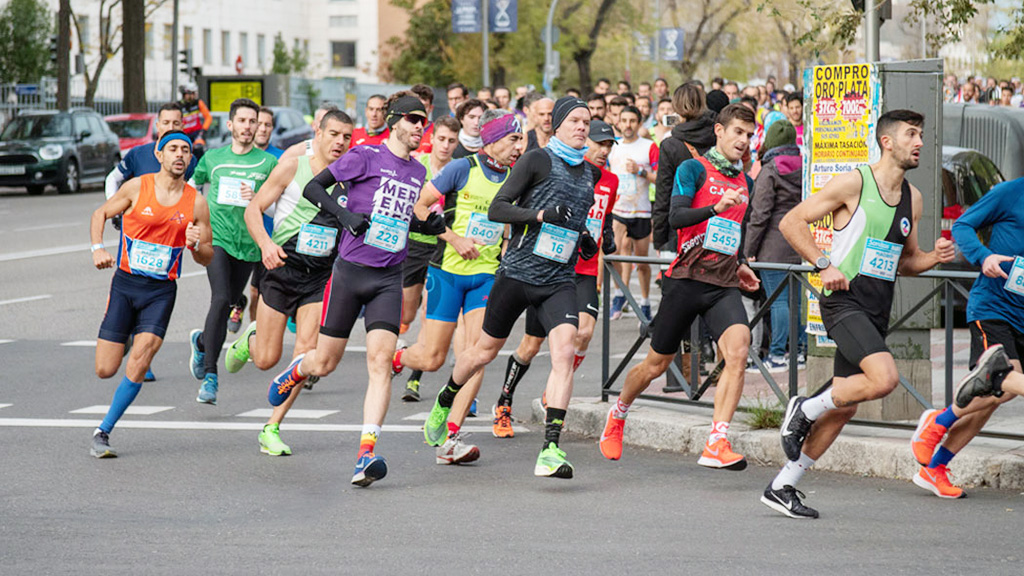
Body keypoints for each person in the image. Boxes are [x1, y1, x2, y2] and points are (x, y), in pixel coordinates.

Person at [766, 109, 1003, 519]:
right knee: (884, 379)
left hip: (877, 309)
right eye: (911, 134)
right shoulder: (855, 182)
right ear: (887, 141)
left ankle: (782, 485)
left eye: (921, 134)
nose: (920, 142)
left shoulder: (914, 199)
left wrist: (933, 257)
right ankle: (803, 408)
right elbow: (792, 222)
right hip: (843, 300)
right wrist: (823, 263)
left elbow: (905, 261)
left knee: (844, 408)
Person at [265, 95, 444, 487]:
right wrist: (345, 216)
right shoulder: (365, 157)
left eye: (423, 121)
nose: (420, 127)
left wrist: (426, 227)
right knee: (324, 364)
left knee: (381, 363)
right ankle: (299, 368)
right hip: (349, 273)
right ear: (395, 121)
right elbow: (314, 188)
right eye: (413, 119)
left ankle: (366, 453)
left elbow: (401, 220)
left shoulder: (418, 171)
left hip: (388, 278)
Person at [424, 97, 600, 479]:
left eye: (586, 122)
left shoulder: (591, 173)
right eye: (574, 120)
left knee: (564, 352)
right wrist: (541, 215)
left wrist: (584, 237)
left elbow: (574, 217)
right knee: (484, 351)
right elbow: (498, 208)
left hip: (558, 279)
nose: (582, 127)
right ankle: (445, 398)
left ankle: (550, 448)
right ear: (557, 125)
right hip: (517, 274)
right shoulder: (536, 160)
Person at [600, 104, 760, 471]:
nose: (743, 140)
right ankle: (619, 412)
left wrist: (741, 263)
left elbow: (733, 231)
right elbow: (677, 217)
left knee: (738, 350)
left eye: (749, 135)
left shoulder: (745, 181)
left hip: (722, 284)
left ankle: (717, 441)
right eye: (737, 132)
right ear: (719, 131)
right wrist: (715, 207)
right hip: (686, 280)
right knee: (655, 365)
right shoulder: (693, 169)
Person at [391, 111, 524, 463]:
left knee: (478, 355)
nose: (519, 147)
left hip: (486, 276)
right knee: (432, 358)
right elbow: (419, 207)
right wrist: (453, 239)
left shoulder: (516, 176)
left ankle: (450, 435)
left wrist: (506, 250)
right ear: (493, 140)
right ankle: (397, 356)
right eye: (513, 139)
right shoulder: (462, 169)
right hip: (447, 272)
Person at [222, 110, 354, 456]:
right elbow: (253, 210)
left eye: (347, 137)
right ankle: (250, 341)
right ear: (318, 132)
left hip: (320, 276)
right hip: (282, 268)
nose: (340, 142)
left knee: (304, 354)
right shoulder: (293, 167)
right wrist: (266, 245)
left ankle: (272, 427)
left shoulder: (351, 179)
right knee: (267, 359)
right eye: (334, 134)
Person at [88, 130, 213, 457]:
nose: (179, 154)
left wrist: (195, 246)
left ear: (191, 158)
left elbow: (207, 255)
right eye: (172, 149)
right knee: (105, 369)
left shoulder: (197, 203)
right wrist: (98, 248)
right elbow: (100, 213)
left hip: (160, 292)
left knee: (140, 363)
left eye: (185, 150)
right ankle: (126, 335)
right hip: (125, 285)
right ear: (159, 155)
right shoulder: (136, 187)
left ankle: (103, 431)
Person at [492, 119, 618, 437]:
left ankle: (556, 387)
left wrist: (608, 235)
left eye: (609, 145)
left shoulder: (609, 180)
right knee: (531, 345)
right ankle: (504, 401)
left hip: (583, 269)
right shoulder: (562, 170)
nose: (603, 150)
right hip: (548, 269)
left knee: (583, 333)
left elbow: (604, 214)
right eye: (599, 143)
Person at [909, 176, 1024, 498]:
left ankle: (934, 464)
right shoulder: (1012, 192)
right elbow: (962, 225)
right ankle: (937, 424)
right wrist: (983, 256)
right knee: (1001, 377)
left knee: (994, 397)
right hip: (994, 308)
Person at [187, 99, 278, 405]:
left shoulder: (267, 163)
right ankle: (210, 377)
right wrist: (193, 218)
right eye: (242, 121)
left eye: (253, 121)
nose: (248, 127)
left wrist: (258, 199)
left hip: (249, 245)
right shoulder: (214, 158)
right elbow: (191, 186)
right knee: (221, 298)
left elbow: (279, 207)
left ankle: (202, 342)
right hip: (217, 240)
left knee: (226, 305)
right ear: (230, 125)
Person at [401, 115, 461, 402]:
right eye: (442, 139)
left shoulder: (459, 170)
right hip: (413, 244)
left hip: (441, 247)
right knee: (406, 314)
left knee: (429, 312)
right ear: (432, 138)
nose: (446, 145)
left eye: (452, 141)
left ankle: (414, 378)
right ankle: (401, 353)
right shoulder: (417, 165)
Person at [744, 119, 805, 372]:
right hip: (800, 244)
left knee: (778, 302)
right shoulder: (805, 166)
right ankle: (798, 352)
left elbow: (759, 215)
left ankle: (778, 354)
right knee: (796, 302)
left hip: (772, 246)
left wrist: (749, 251)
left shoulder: (769, 170)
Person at [607, 105, 659, 321]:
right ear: (618, 122)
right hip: (619, 209)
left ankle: (645, 302)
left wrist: (640, 172)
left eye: (632, 121)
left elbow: (660, 177)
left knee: (642, 261)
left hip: (641, 210)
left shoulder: (649, 147)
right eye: (624, 121)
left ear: (639, 123)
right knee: (616, 253)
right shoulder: (612, 146)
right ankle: (620, 294)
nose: (627, 125)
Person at [178, 82, 212, 156]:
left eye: (193, 93)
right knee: (183, 151)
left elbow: (208, 117)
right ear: (184, 94)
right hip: (184, 134)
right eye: (189, 94)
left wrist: (203, 130)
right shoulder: (178, 106)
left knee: (199, 149)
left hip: (197, 133)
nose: (191, 96)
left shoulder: (198, 103)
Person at [410, 84, 436, 155]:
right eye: (417, 105)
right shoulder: (400, 129)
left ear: (431, 108)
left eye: (424, 106)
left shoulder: (437, 131)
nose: (420, 110)